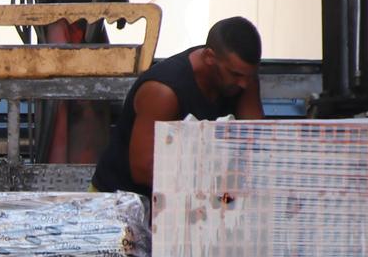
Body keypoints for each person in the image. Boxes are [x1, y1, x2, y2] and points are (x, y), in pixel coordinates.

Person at [91, 15, 265, 195]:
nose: (244, 84)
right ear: (209, 57)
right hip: (117, 200)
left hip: (183, 199)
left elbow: (253, 143)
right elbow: (143, 170)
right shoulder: (163, 91)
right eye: (235, 74)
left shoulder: (243, 80)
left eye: (249, 76)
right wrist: (217, 183)